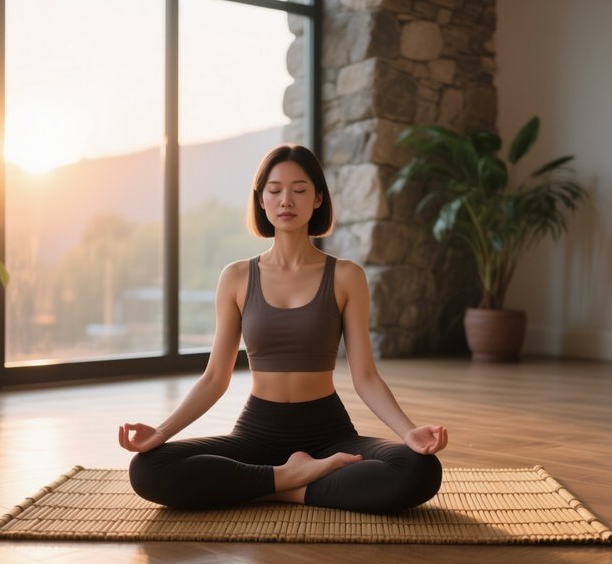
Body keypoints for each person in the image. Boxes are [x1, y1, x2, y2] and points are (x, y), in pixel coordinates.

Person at [118, 144, 447, 514]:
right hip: (256, 432)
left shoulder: (346, 276)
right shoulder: (237, 277)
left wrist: (408, 432)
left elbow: (366, 377)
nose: (286, 200)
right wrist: (161, 433)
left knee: (419, 469)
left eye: (299, 189)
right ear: (261, 200)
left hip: (328, 432)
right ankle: (291, 480)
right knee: (148, 468)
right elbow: (214, 378)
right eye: (274, 190)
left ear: (318, 198)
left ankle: (271, 485)